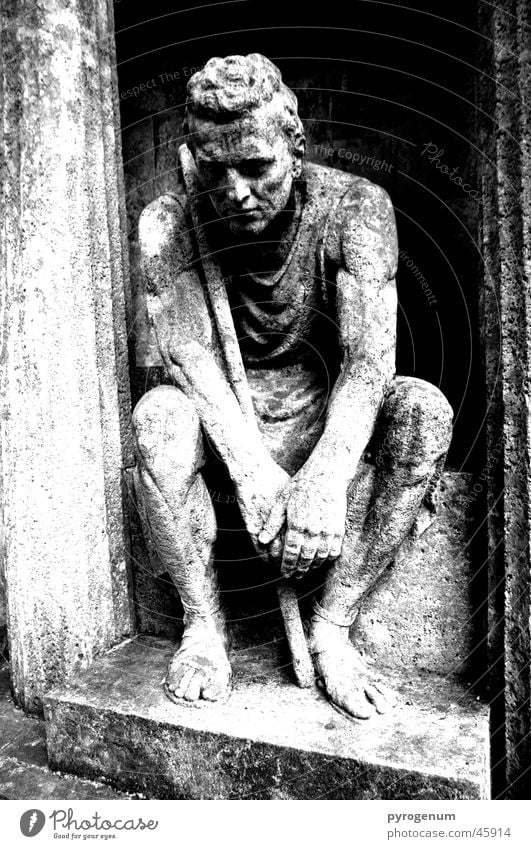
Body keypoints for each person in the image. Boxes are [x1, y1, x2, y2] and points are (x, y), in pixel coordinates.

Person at [132, 53, 453, 719]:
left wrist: (325, 475)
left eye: (256, 167)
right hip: (228, 429)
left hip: (325, 419)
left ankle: (333, 628)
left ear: (294, 147)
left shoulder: (355, 208)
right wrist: (251, 471)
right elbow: (187, 356)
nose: (235, 191)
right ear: (194, 157)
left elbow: (369, 363)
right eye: (215, 170)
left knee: (422, 411)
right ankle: (203, 627)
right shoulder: (169, 222)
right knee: (157, 417)